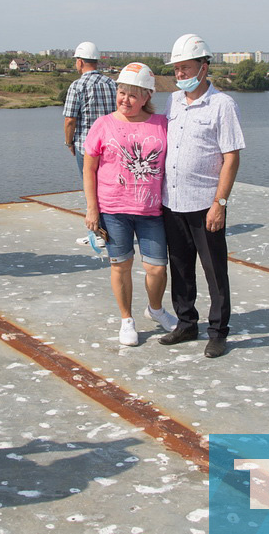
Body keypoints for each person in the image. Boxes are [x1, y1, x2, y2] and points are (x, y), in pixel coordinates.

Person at [159, 34, 245, 358]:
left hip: (205, 205)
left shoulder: (223, 105)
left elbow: (232, 158)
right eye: (177, 69)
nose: (180, 74)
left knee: (214, 271)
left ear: (204, 67)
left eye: (186, 68)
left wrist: (219, 204)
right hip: (173, 202)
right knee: (179, 268)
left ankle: (218, 331)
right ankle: (186, 323)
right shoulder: (174, 102)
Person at [83, 63, 179, 346]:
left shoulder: (161, 124)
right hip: (113, 210)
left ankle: (156, 309)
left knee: (157, 268)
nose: (125, 100)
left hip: (152, 211)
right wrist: (92, 209)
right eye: (121, 93)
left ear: (147, 96)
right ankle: (127, 320)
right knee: (121, 266)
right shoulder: (103, 125)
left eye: (133, 95)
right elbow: (89, 169)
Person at [62, 42, 117, 246]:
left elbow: (70, 120)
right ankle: (112, 230)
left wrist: (69, 142)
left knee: (90, 189)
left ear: (80, 62)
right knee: (108, 188)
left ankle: (98, 234)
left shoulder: (77, 85)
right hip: (111, 146)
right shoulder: (111, 83)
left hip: (86, 147)